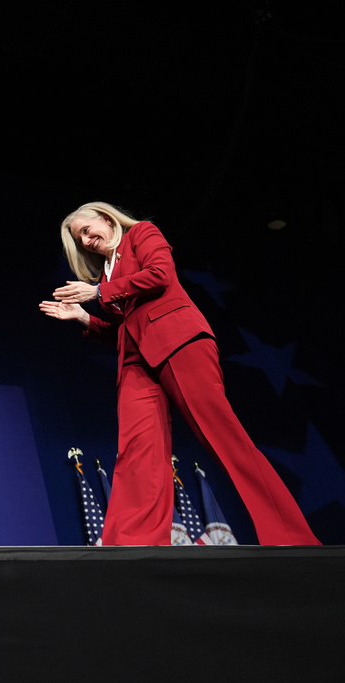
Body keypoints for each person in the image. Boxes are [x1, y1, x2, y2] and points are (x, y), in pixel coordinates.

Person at [39, 201, 319, 546]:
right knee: (136, 451)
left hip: (180, 344)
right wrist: (84, 317)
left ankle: (289, 535)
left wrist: (98, 293)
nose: (86, 241)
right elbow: (128, 328)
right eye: (79, 240)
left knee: (223, 438)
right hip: (136, 362)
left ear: (106, 218)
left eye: (86, 230)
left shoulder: (141, 233)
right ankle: (133, 542)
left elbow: (160, 275)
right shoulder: (107, 272)